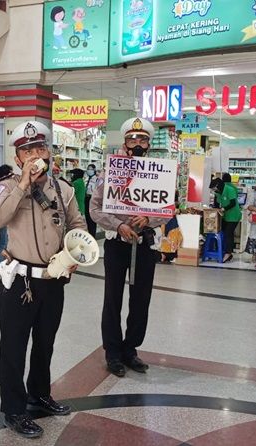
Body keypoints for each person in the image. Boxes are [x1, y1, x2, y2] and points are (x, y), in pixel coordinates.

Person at [0, 121, 86, 439]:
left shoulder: (64, 189)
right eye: (26, 150)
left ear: (49, 152)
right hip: (19, 281)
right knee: (14, 347)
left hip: (52, 279)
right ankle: (14, 410)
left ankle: (39, 395)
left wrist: (75, 254)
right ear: (18, 157)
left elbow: (77, 225)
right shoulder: (7, 186)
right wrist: (23, 186)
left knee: (45, 343)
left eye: (39, 148)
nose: (34, 155)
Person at [90, 117, 170, 378]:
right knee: (112, 298)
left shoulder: (160, 172)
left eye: (142, 139)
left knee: (141, 297)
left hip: (145, 243)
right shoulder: (109, 172)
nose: (137, 143)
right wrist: (117, 225)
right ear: (125, 142)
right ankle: (112, 352)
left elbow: (168, 209)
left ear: (148, 143)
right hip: (117, 243)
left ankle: (130, 349)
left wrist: (149, 219)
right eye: (132, 138)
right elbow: (94, 208)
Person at [208, 173, 241, 262]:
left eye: (214, 188)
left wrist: (223, 208)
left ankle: (228, 253)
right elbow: (217, 203)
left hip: (234, 215)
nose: (214, 190)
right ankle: (225, 250)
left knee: (228, 233)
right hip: (225, 216)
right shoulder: (218, 192)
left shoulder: (230, 189)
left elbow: (233, 203)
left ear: (218, 186)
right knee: (223, 232)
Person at [0, 164, 13, 263]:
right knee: (4, 241)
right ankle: (2, 264)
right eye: (11, 172)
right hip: (3, 215)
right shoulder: (4, 184)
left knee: (2, 240)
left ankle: (2, 263)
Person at [84, 163, 99, 237]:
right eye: (88, 169)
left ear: (94, 170)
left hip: (92, 199)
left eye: (90, 169)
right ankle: (88, 235)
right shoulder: (86, 179)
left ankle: (92, 235)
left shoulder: (97, 179)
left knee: (92, 219)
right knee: (86, 219)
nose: (89, 171)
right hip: (86, 199)